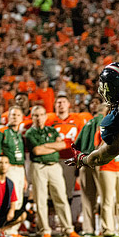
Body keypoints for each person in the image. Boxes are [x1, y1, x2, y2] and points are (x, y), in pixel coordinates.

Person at [26, 105, 80, 237]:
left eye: (41, 115)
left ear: (45, 116)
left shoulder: (52, 130)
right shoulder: (29, 133)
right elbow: (37, 151)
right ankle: (45, 230)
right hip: (39, 166)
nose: (39, 118)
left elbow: (62, 145)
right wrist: (53, 147)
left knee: (61, 198)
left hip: (55, 166)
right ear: (32, 117)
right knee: (41, 199)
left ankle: (68, 229)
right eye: (36, 115)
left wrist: (45, 146)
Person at [0, 105, 27, 237]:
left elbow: (22, 157)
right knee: (9, 201)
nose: (15, 117)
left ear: (22, 118)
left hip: (19, 169)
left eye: (18, 115)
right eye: (13, 115)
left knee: (18, 202)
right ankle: (4, 231)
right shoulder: (1, 132)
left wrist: (24, 177)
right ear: (8, 117)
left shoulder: (19, 134)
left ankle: (12, 231)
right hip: (9, 169)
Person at [45, 92, 80, 221]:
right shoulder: (49, 119)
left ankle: (66, 220)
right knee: (51, 191)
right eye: (58, 102)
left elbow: (80, 141)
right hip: (53, 159)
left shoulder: (77, 119)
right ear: (55, 105)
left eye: (64, 102)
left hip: (69, 160)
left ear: (69, 105)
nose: (61, 105)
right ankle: (51, 220)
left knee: (68, 191)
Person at [73, 102, 106, 235]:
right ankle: (105, 228)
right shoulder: (105, 121)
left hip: (84, 163)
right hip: (99, 162)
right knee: (105, 197)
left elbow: (75, 146)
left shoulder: (87, 124)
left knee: (87, 199)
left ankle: (88, 229)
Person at [94, 126, 119, 237]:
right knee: (107, 200)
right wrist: (107, 138)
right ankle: (107, 229)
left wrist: (117, 140)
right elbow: (98, 150)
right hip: (106, 168)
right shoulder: (100, 132)